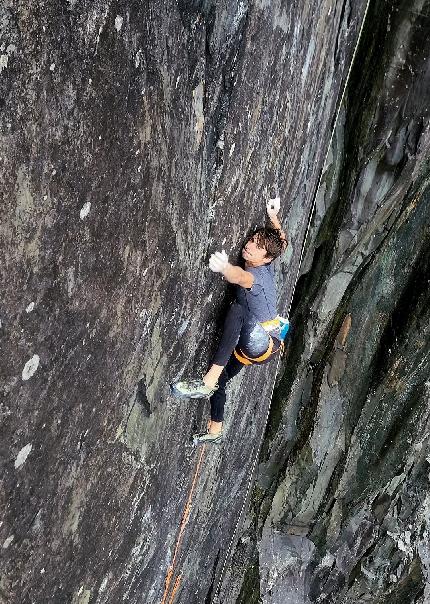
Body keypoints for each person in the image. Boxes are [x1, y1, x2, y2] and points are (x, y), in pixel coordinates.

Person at [171, 198, 288, 445]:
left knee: (238, 310)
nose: (249, 246)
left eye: (257, 247)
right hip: (259, 344)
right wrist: (273, 215)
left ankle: (206, 382)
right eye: (252, 240)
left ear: (266, 258)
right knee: (223, 378)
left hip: (261, 342)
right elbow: (282, 241)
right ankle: (215, 430)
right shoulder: (268, 260)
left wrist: (225, 268)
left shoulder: (256, 276)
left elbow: (240, 277)